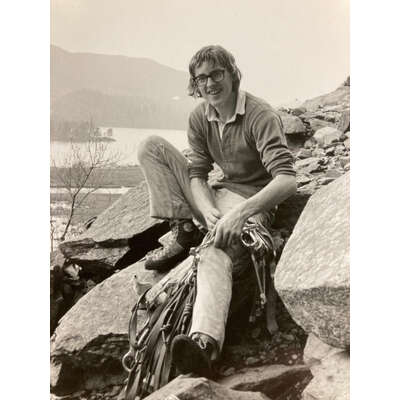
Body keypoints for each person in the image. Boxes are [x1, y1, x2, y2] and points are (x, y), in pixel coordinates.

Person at [137, 45, 297, 378]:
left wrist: (239, 216)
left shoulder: (259, 115)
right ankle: (184, 230)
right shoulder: (200, 115)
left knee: (213, 254)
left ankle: (205, 345)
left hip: (251, 204)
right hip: (216, 200)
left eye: (216, 74)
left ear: (232, 73)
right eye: (202, 78)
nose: (210, 84)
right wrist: (207, 208)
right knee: (150, 146)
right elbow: (197, 173)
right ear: (195, 84)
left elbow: (286, 181)